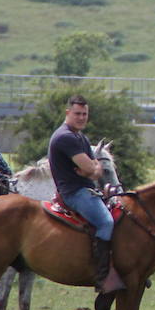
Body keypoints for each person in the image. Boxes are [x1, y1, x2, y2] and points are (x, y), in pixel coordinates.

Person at [49, 94, 123, 295]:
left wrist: (92, 169)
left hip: (87, 189)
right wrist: (91, 169)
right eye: (77, 113)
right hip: (74, 193)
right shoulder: (65, 137)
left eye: (84, 114)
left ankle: (121, 267)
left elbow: (94, 169)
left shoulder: (81, 138)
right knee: (106, 222)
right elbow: (91, 168)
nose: (81, 117)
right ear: (68, 113)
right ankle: (102, 276)